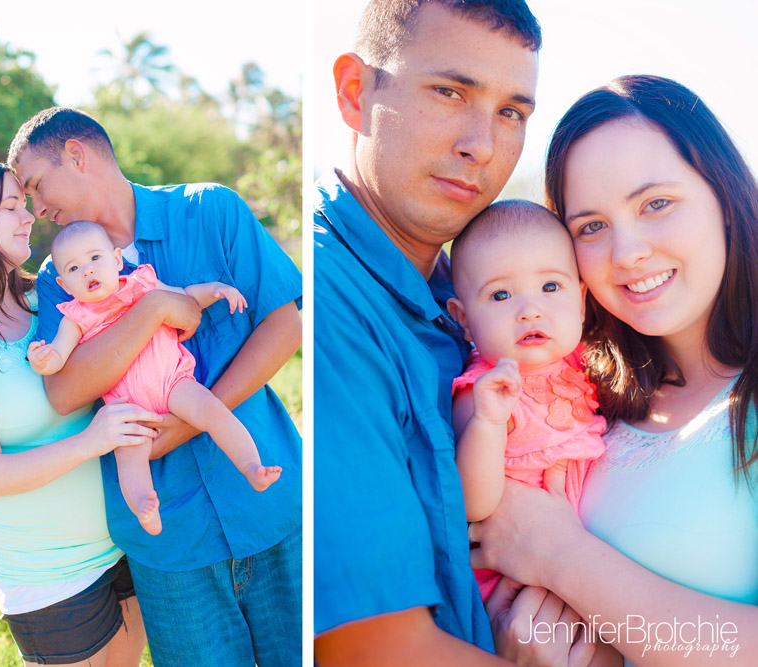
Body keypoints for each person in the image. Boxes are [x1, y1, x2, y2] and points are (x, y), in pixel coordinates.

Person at [470, 75, 758, 666]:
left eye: (656, 204)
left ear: (725, 199)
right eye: (591, 227)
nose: (627, 253)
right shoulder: (579, 395)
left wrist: (559, 557)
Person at [313, 1, 562, 664]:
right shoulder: (333, 304)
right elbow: (379, 648)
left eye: (512, 111)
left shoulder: (481, 296)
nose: (481, 144)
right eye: (450, 92)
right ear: (354, 91)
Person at [8, 106, 302, 666]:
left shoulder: (210, 209)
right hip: (170, 543)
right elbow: (65, 391)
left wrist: (192, 418)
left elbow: (285, 322)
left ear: (77, 154)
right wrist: (151, 312)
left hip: (272, 508)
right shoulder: (56, 276)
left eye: (36, 185)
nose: (35, 207)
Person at [0, 160, 186, 666]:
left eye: (24, 203)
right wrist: (89, 442)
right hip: (50, 579)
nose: (29, 215)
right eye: (10, 206)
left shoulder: (51, 299)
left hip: (124, 545)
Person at [28, 221, 282, 535]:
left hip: (174, 383)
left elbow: (185, 296)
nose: (87, 271)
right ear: (65, 285)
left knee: (213, 411)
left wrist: (216, 290)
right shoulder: (75, 317)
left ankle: (251, 466)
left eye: (95, 259)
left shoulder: (142, 284)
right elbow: (58, 357)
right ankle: (144, 507)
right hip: (127, 407)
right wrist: (42, 361)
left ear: (117, 260)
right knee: (129, 456)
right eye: (74, 268)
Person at [447, 200, 606, 600]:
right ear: (463, 318)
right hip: (516, 580)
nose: (530, 310)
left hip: (586, 564)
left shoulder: (582, 361)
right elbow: (473, 504)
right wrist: (488, 422)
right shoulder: (484, 390)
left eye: (550, 287)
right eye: (500, 295)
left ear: (582, 301)